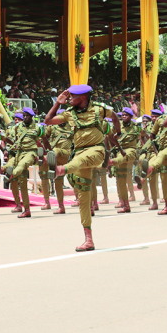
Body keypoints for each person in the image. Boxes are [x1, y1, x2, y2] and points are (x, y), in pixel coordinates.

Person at [45, 84, 120, 251]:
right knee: (84, 200)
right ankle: (88, 239)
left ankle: (61, 170)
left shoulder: (99, 109)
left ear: (83, 98)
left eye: (72, 97)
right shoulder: (69, 114)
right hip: (79, 152)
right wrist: (57, 103)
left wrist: (118, 132)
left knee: (77, 162)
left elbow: (114, 116)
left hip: (96, 150)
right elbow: (48, 120)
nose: (69, 99)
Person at [3, 107, 44, 219]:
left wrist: (44, 154)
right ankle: (26, 210)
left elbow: (42, 140)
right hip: (19, 153)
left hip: (31, 152)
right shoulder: (17, 127)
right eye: (24, 116)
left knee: (21, 165)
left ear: (31, 117)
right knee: (22, 183)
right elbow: (12, 138)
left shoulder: (38, 127)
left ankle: (11, 174)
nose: (25, 118)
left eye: (27, 116)